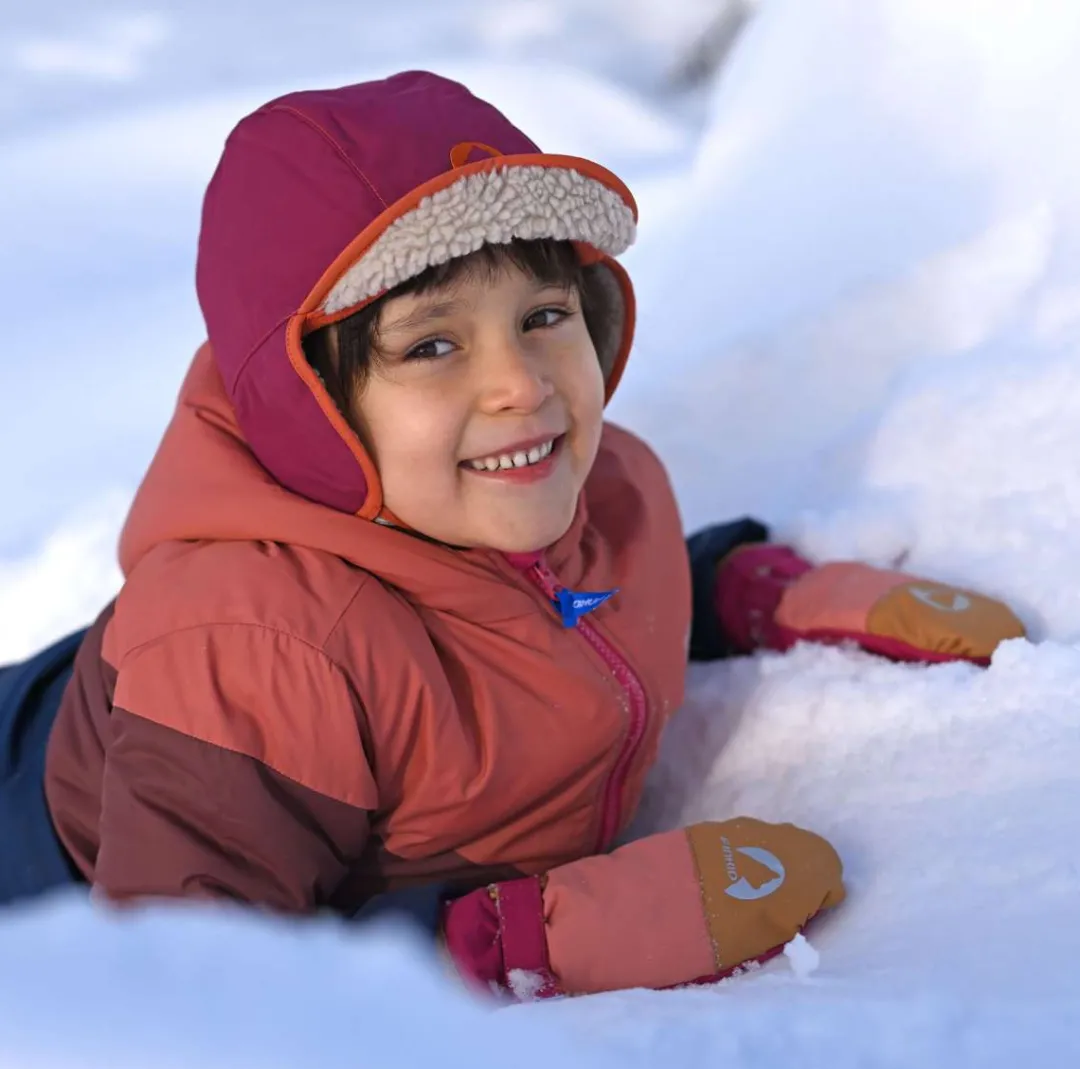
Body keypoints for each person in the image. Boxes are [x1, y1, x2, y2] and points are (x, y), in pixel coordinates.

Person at [0, 72, 1026, 999]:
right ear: (310, 404)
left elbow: (563, 607)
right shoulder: (255, 653)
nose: (521, 384)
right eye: (433, 343)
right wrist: (517, 942)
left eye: (542, 314)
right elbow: (197, 986)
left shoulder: (600, 483)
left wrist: (741, 588)